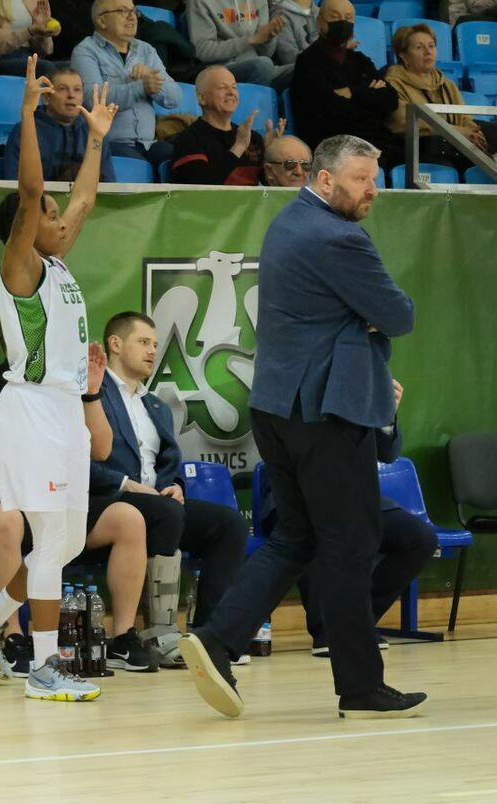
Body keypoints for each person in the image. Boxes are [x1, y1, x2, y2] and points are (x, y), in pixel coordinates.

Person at [178, 133, 427, 721]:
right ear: (323, 180)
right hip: (325, 411)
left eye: (374, 178)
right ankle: (361, 686)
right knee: (351, 544)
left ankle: (218, 639)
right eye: (362, 180)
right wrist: (366, 323)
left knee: (297, 536)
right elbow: (399, 314)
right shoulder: (341, 238)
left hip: (278, 408)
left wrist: (359, 323)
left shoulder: (289, 222)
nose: (374, 191)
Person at [0, 56, 120, 701]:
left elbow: (82, 199)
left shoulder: (59, 264)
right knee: (50, 537)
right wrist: (25, 114)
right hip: (31, 408)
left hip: (64, 412)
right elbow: (32, 196)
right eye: (50, 215)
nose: (63, 218)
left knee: (67, 537)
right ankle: (44, 666)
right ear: (27, 229)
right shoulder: (20, 269)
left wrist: (98, 139)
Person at [0, 354, 159, 676]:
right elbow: (13, 447)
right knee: (11, 524)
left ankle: (122, 637)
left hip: (59, 494)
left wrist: (91, 394)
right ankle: (12, 635)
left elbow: (102, 450)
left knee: (128, 518)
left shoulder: (68, 386)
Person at [92, 312, 249, 667]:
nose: (152, 351)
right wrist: (126, 484)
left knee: (230, 525)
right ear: (115, 344)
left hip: (159, 504)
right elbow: (78, 462)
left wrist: (175, 486)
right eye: (143, 342)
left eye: (155, 345)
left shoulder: (156, 406)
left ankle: (209, 635)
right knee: (166, 512)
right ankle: (159, 632)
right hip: (107, 501)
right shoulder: (92, 394)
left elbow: (168, 464)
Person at [260, 378, 439, 658]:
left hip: (357, 493)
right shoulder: (301, 379)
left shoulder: (363, 384)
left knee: (420, 538)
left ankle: (356, 621)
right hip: (298, 492)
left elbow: (388, 453)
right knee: (322, 524)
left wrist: (385, 412)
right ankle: (328, 630)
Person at [72, 0, 181, 165]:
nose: (132, 17)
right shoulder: (85, 51)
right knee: (134, 165)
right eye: (123, 11)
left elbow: (175, 98)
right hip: (109, 143)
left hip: (148, 143)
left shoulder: (146, 50)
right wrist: (141, 87)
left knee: (180, 160)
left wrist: (150, 79)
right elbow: (93, 100)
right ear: (102, 20)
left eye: (134, 11)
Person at [290, 0, 401, 167]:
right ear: (319, 22)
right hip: (334, 145)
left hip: (375, 141)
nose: (342, 22)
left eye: (348, 18)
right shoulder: (308, 61)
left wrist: (352, 93)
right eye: (334, 17)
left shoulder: (360, 60)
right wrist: (369, 95)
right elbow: (330, 111)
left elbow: (390, 100)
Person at [385, 22, 495, 166]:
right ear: (403, 56)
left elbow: (464, 118)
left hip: (454, 142)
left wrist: (473, 132)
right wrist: (456, 132)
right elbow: (405, 123)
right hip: (421, 146)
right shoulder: (393, 84)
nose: (428, 52)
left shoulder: (447, 84)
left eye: (431, 46)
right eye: (419, 47)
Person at [170, 65, 280, 185]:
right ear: (202, 98)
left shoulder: (253, 138)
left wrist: (272, 156)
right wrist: (239, 147)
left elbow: (272, 187)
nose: (231, 92)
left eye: (234, 87)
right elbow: (201, 188)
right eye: (222, 87)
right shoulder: (188, 140)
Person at [2, 68, 116, 181]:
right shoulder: (25, 129)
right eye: (63, 89)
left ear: (82, 98)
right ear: (47, 98)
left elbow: (109, 185)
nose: (71, 95)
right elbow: (12, 182)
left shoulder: (94, 131)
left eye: (77, 90)